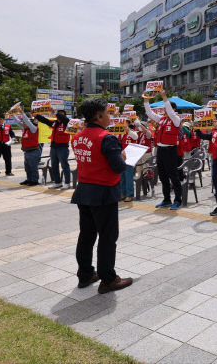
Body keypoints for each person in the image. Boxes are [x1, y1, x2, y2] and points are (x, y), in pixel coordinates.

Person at [71, 97, 133, 294]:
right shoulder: (106, 138)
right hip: (104, 193)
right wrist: (123, 157)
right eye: (107, 113)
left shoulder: (77, 136)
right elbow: (118, 167)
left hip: (84, 190)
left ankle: (86, 274)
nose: (110, 117)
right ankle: (108, 279)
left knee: (86, 236)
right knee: (107, 237)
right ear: (98, 116)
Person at [144, 90, 183, 209]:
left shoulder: (176, 119)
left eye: (166, 108)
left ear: (173, 109)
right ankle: (166, 199)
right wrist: (146, 99)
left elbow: (170, 112)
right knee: (162, 176)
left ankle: (178, 200)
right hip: (160, 150)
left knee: (173, 176)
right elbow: (149, 113)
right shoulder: (161, 119)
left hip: (170, 150)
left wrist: (164, 96)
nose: (164, 110)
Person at [35, 107, 72, 189]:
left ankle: (67, 183)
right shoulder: (54, 123)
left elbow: (64, 119)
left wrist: (54, 112)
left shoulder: (67, 123)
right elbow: (45, 120)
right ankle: (57, 182)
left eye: (62, 115)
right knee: (54, 165)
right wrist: (36, 115)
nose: (60, 116)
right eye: (59, 114)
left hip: (63, 148)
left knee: (64, 165)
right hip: (54, 147)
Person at [17, 107, 41, 186]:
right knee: (27, 167)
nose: (23, 124)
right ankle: (29, 179)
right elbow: (17, 122)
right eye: (23, 123)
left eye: (25, 122)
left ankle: (34, 180)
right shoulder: (25, 129)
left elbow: (27, 120)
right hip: (27, 152)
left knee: (33, 167)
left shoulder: (33, 129)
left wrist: (22, 113)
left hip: (34, 151)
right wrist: (12, 114)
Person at [117, 123, 138, 202]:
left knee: (128, 176)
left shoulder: (132, 132)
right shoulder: (119, 133)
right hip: (121, 157)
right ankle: (122, 193)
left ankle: (129, 194)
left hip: (129, 157)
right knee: (121, 176)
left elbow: (135, 137)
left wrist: (128, 130)